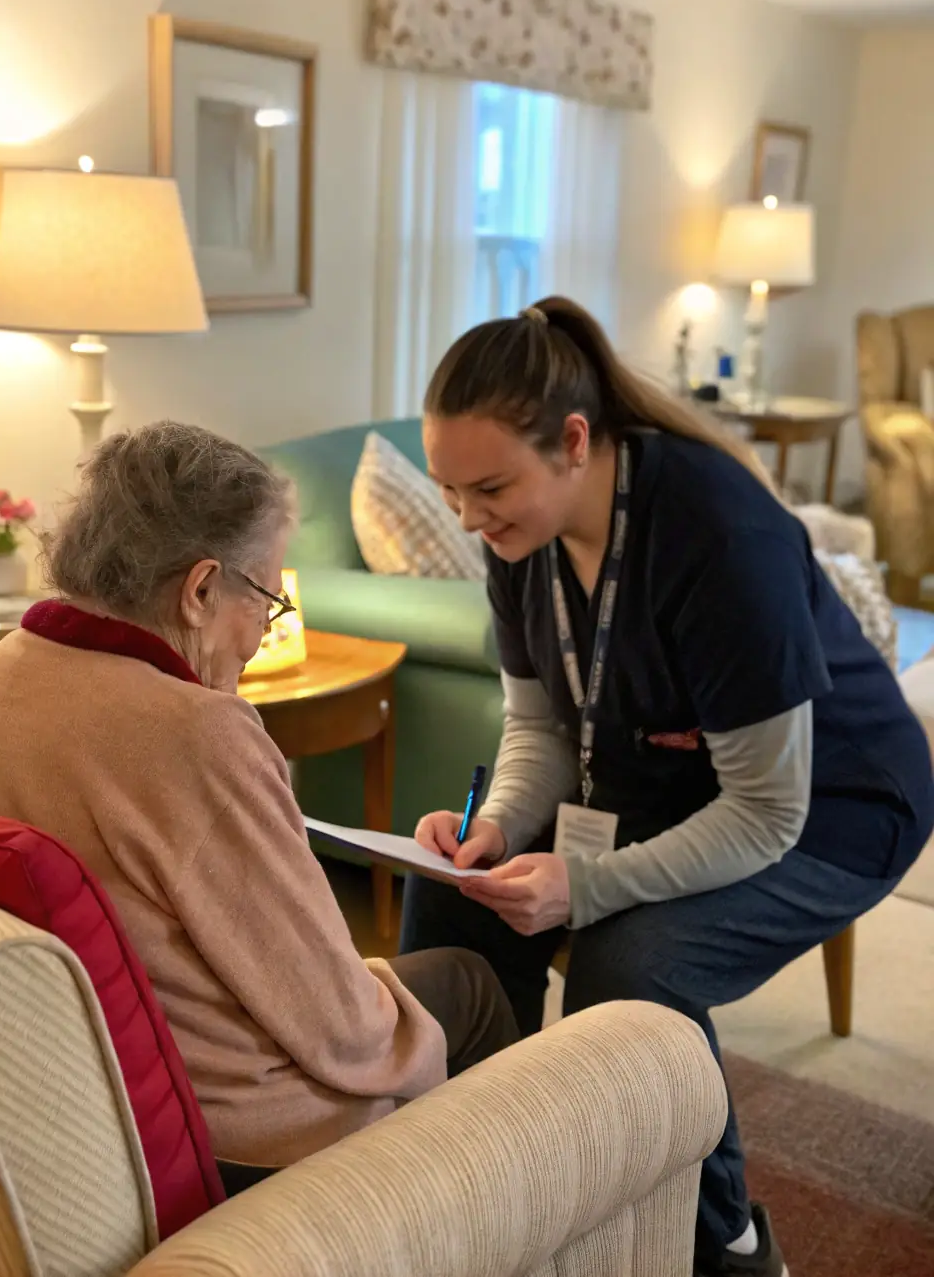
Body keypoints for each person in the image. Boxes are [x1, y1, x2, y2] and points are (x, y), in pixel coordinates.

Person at [399, 297, 934, 1277]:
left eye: (489, 488)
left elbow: (766, 811)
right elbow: (539, 727)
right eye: (450, 492)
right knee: (453, 891)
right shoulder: (517, 539)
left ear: (573, 442)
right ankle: (490, 1181)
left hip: (835, 805)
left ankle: (728, 1247)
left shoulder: (718, 534)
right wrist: (500, 827)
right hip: (670, 785)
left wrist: (586, 885)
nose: (470, 518)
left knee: (632, 966)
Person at [0, 421, 517, 1185]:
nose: (261, 635)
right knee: (467, 984)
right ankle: (484, 1213)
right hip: (238, 1129)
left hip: (63, 1087)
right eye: (267, 598)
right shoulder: (197, 732)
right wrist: (388, 1012)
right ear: (201, 589)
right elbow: (337, 1021)